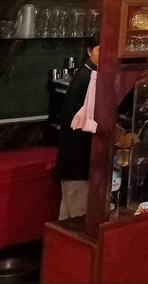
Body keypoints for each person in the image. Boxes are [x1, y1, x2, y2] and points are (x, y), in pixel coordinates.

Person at [56, 32, 99, 220]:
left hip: (72, 162)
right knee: (79, 221)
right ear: (89, 51)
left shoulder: (88, 73)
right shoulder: (88, 78)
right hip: (77, 163)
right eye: (100, 50)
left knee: (67, 220)